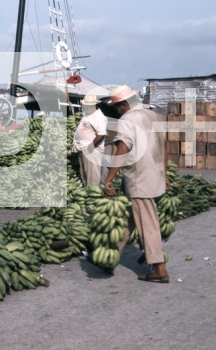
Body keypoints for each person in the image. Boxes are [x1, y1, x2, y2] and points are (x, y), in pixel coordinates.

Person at [104, 84, 170, 283]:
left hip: (140, 179)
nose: (117, 111)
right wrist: (164, 173)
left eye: (117, 107)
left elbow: (122, 149)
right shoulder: (153, 116)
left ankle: (159, 269)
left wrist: (109, 178)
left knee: (147, 224)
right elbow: (164, 148)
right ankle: (109, 258)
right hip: (154, 177)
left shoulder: (128, 118)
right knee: (129, 219)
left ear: (124, 104)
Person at [72, 94, 107, 186]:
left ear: (95, 105)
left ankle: (92, 197)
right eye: (86, 105)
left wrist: (90, 147)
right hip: (83, 149)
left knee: (92, 178)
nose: (88, 107)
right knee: (84, 175)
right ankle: (87, 196)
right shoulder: (88, 115)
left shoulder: (99, 117)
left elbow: (101, 134)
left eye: (90, 105)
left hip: (91, 151)